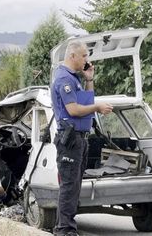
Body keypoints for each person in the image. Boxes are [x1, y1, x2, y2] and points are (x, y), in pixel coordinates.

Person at [51, 41, 113, 236]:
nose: (87, 60)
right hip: (70, 139)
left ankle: (65, 228)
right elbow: (74, 110)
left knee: (75, 185)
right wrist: (97, 108)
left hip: (80, 139)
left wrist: (89, 79)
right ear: (73, 56)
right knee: (69, 186)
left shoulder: (75, 78)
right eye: (84, 56)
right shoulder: (64, 79)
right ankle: (64, 230)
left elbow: (86, 101)